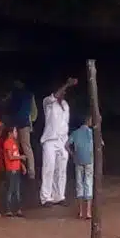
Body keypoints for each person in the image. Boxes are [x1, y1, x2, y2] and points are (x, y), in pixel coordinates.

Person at [37, 79, 74, 208]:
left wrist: (67, 143)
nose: (63, 93)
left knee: (61, 169)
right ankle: (46, 197)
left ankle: (59, 196)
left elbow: (65, 125)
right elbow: (56, 96)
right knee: (49, 168)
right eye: (62, 90)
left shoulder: (65, 105)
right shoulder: (48, 102)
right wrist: (67, 84)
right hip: (49, 140)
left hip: (62, 140)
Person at [69, 110, 95, 218]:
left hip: (78, 160)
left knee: (79, 184)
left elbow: (67, 145)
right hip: (89, 160)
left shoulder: (75, 133)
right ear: (88, 121)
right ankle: (88, 212)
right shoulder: (91, 132)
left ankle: (80, 212)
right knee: (88, 183)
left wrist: (73, 154)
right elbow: (101, 143)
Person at [0, 118, 26, 214]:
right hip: (11, 170)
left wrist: (22, 165)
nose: (16, 133)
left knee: (17, 190)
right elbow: (10, 156)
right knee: (10, 190)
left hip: (16, 169)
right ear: (10, 133)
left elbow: (15, 155)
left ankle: (18, 209)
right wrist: (21, 157)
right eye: (15, 131)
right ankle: (8, 209)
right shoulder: (7, 143)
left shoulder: (14, 143)